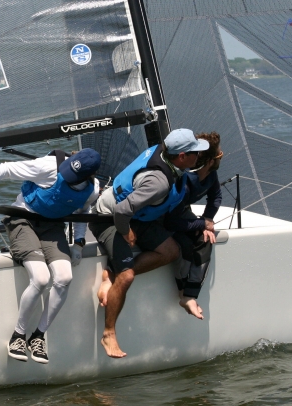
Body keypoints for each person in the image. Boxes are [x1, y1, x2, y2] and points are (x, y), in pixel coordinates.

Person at [0, 148, 101, 364]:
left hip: (51, 226)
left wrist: (79, 243)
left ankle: (38, 336)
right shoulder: (50, 166)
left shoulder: (92, 189)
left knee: (64, 278)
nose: (65, 173)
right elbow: (6, 169)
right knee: (41, 278)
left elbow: (83, 211)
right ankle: (18, 336)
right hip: (22, 219)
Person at [90, 128, 208, 358]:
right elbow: (122, 211)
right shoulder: (159, 182)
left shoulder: (163, 152)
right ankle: (108, 333)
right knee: (128, 277)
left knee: (170, 251)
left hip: (136, 216)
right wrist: (126, 234)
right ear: (182, 156)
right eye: (195, 152)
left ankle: (110, 273)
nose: (198, 156)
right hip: (110, 219)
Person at [164, 132, 223, 320]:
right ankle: (182, 290)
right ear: (210, 161)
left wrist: (207, 221)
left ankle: (190, 295)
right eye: (219, 154)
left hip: (181, 214)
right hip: (164, 216)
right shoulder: (186, 180)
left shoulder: (211, 174)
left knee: (205, 240)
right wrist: (200, 223)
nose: (222, 155)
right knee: (185, 245)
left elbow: (216, 198)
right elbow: (171, 221)